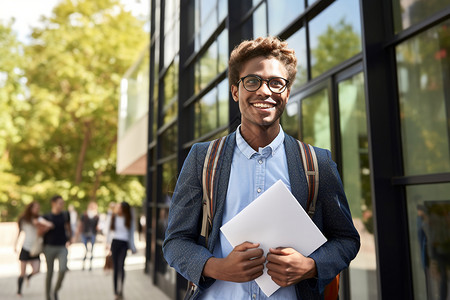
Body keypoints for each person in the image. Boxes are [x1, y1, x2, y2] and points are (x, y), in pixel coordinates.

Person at [163, 36, 360, 299]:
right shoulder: (203, 158)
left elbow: (346, 240)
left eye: (276, 83)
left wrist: (311, 266)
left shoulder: (317, 163)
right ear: (236, 91)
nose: (265, 91)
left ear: (287, 93)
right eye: (253, 81)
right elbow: (175, 242)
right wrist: (218, 267)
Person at [14, 201, 53, 297]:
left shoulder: (39, 219)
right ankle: (19, 291)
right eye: (35, 208)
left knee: (36, 270)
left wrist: (41, 226)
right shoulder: (23, 219)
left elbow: (49, 225)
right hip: (25, 247)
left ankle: (29, 277)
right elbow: (19, 232)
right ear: (30, 208)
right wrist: (15, 244)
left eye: (37, 208)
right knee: (22, 272)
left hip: (35, 248)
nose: (36, 210)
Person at [42, 195, 72, 300]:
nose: (62, 205)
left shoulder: (65, 215)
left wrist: (70, 238)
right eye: (60, 203)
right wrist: (46, 226)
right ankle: (48, 296)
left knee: (63, 269)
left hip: (62, 247)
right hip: (49, 247)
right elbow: (39, 232)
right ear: (53, 203)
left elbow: (68, 227)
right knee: (49, 273)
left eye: (62, 203)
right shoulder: (46, 217)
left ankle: (55, 290)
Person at [106, 202, 136, 300]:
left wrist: (133, 247)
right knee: (115, 267)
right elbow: (108, 231)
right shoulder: (113, 216)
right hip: (115, 243)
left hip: (124, 244)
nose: (118, 209)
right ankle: (115, 291)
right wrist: (106, 243)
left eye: (120, 207)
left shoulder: (129, 218)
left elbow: (131, 234)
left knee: (121, 266)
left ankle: (121, 289)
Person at [73, 201, 99, 271]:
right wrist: (76, 235)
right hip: (85, 233)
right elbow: (80, 225)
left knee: (91, 250)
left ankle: (90, 265)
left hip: (92, 234)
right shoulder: (84, 215)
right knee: (86, 249)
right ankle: (84, 264)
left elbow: (98, 226)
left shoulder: (96, 216)